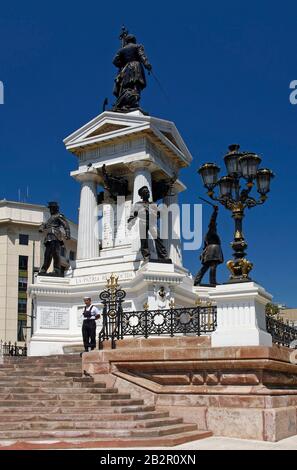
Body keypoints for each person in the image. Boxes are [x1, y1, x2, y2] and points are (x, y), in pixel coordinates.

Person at [127, 186, 171, 262]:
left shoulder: (153, 204)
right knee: (144, 241)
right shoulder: (138, 204)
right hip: (143, 222)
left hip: (152, 223)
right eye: (146, 192)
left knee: (158, 239)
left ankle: (163, 257)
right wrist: (130, 223)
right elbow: (133, 214)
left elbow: (158, 214)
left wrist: (158, 214)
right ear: (142, 195)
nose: (148, 193)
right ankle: (146, 257)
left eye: (148, 192)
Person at [112, 33, 152, 112]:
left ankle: (127, 103)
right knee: (136, 85)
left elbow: (114, 61)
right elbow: (142, 56)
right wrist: (147, 65)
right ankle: (134, 103)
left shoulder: (122, 50)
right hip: (136, 67)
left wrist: (122, 64)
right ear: (134, 40)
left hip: (126, 69)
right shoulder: (138, 46)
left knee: (127, 87)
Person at [38, 202, 71, 277]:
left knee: (55, 254)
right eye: (50, 208)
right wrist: (42, 227)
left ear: (56, 208)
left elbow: (65, 225)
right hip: (49, 238)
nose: (50, 210)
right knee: (47, 254)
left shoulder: (59, 216)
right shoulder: (50, 218)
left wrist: (67, 234)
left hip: (55, 237)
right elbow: (45, 225)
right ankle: (44, 269)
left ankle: (57, 270)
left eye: (52, 208)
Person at [194, 206, 223, 286]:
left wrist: (203, 253)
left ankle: (197, 281)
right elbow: (213, 220)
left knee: (206, 266)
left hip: (209, 250)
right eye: (214, 225)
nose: (216, 226)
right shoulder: (211, 230)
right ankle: (212, 281)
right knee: (213, 265)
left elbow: (204, 246)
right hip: (213, 250)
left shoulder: (208, 235)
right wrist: (215, 212)